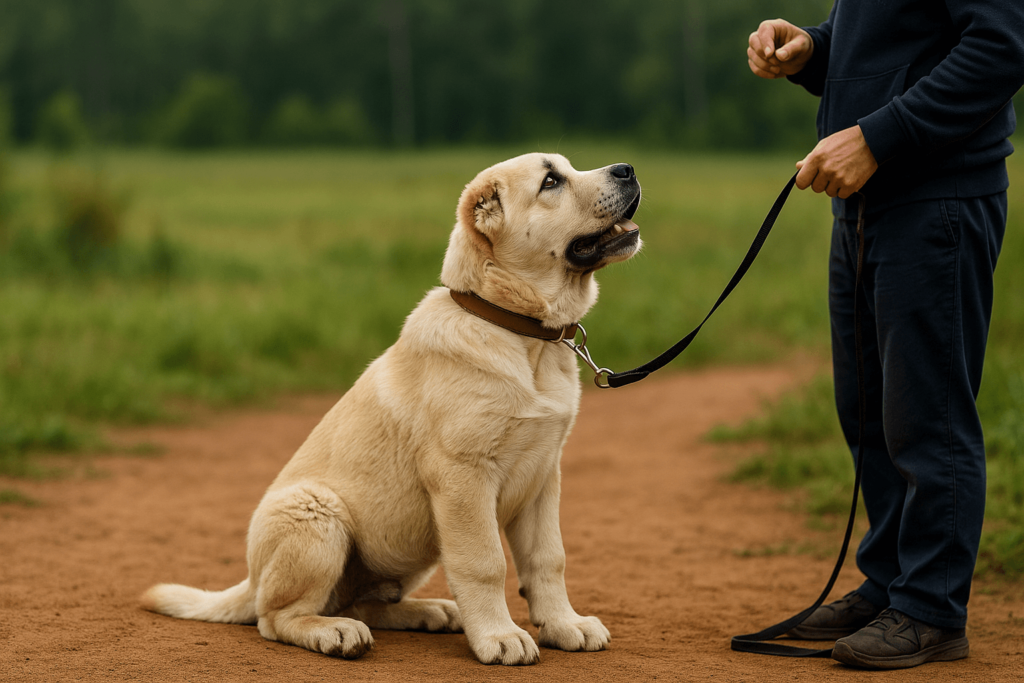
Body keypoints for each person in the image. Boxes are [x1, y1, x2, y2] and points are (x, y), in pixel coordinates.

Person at [746, 1, 1024, 670]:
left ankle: (930, 607)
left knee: (926, 415)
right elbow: (896, 31)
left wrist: (878, 136)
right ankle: (893, 584)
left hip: (938, 197)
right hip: (869, 203)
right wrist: (813, 49)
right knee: (870, 412)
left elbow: (1003, 42)